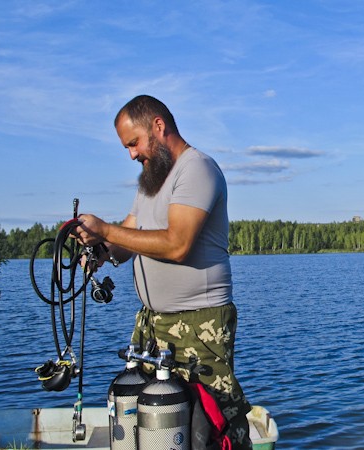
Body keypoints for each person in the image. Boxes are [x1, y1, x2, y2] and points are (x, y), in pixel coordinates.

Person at [74, 95, 252, 449]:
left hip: (200, 325)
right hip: (153, 324)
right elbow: (128, 240)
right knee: (161, 426)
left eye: (134, 143)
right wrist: (99, 250)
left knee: (211, 423)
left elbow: (177, 243)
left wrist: (106, 229)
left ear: (159, 126)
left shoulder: (196, 169)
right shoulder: (150, 180)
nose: (132, 154)